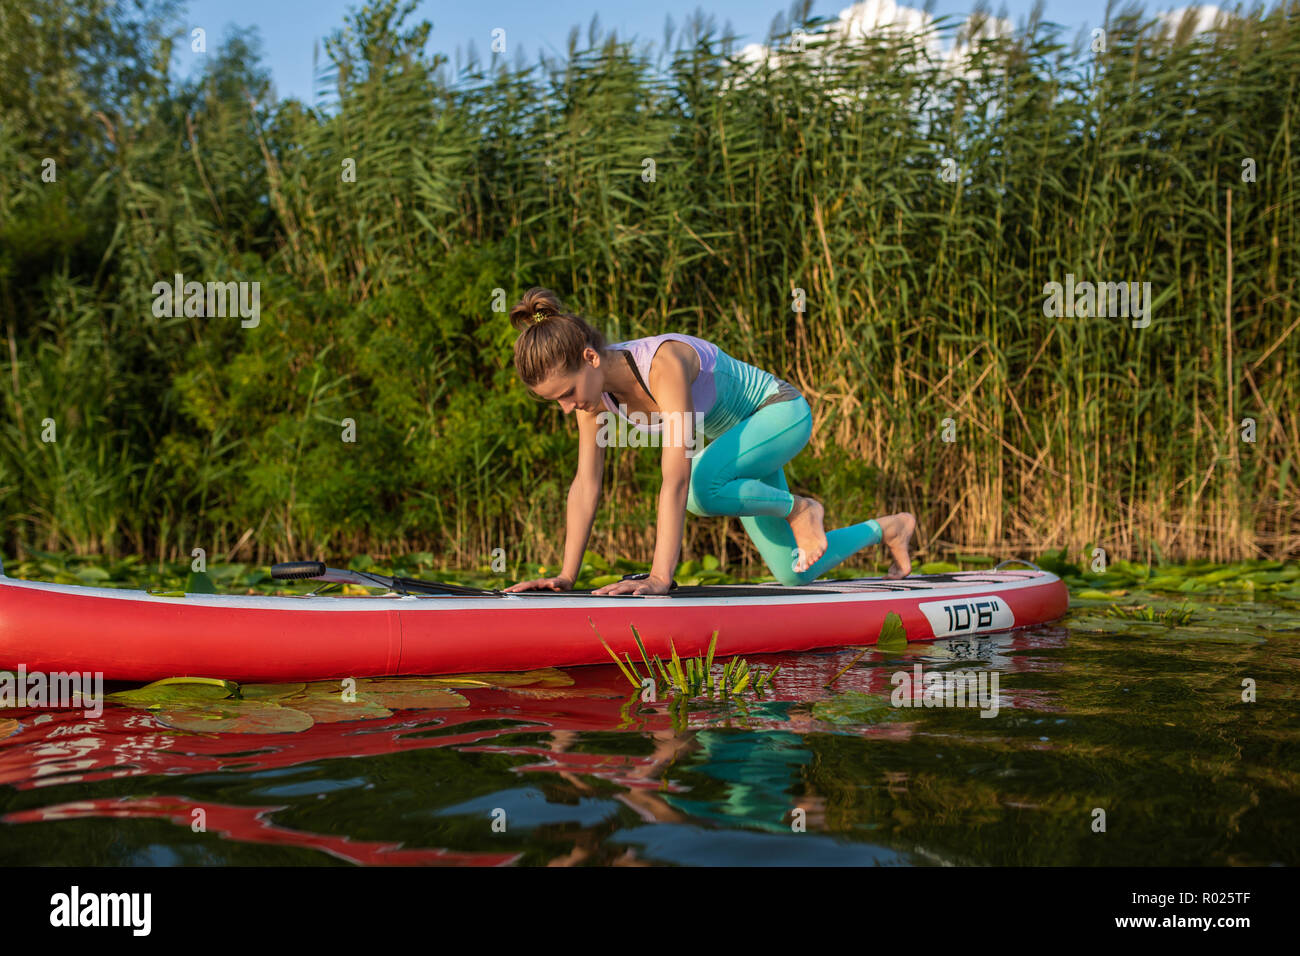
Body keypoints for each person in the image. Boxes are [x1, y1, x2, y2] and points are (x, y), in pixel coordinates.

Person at [503, 287, 915, 596]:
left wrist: (660, 578)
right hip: (740, 446)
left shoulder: (662, 364)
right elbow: (585, 485)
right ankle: (890, 529)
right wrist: (565, 576)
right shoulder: (593, 401)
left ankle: (803, 509)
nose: (566, 407)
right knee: (793, 572)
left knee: (700, 490)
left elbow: (676, 477)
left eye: (565, 394)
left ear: (590, 358)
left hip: (779, 413)